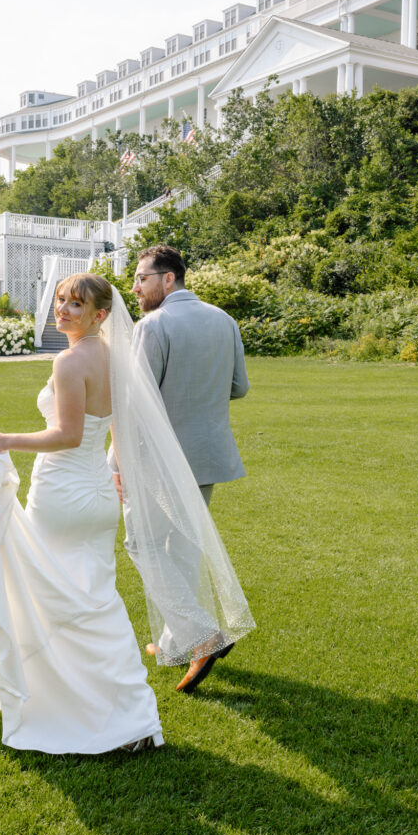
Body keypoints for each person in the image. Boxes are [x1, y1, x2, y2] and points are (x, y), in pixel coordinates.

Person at [0, 274, 163, 755]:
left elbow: (68, 434)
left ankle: (65, 705)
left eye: (77, 304)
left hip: (62, 492)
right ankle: (133, 718)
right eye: (61, 302)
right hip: (97, 494)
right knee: (96, 600)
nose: (64, 311)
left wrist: (6, 440)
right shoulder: (117, 358)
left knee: (50, 595)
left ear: (100, 315)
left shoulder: (69, 360)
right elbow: (117, 428)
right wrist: (119, 475)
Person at [109, 244, 251, 692]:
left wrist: (116, 462)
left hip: (157, 457)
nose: (135, 288)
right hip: (208, 454)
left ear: (168, 279)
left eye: (141, 278)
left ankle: (200, 633)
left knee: (141, 543)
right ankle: (176, 644)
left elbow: (135, 402)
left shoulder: (153, 325)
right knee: (184, 547)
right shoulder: (224, 320)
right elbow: (239, 387)